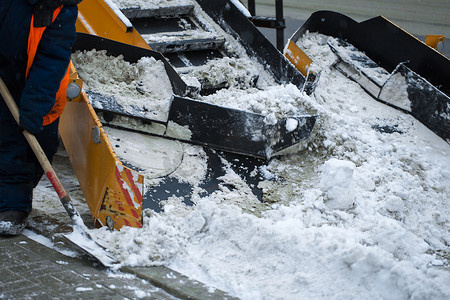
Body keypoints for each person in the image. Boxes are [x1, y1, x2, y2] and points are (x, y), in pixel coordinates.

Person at [0, 0, 81, 235]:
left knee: (39, 141)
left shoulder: (62, 8)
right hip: (5, 74)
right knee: (8, 142)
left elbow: (52, 59)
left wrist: (34, 106)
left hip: (41, 84)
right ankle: (11, 206)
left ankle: (18, 192)